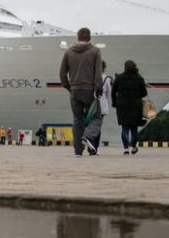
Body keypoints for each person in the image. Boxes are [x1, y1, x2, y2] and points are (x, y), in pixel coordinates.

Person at [59, 27, 103, 157]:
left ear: (77, 38)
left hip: (75, 90)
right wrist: (97, 89)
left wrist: (69, 88)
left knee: (77, 121)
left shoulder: (68, 52)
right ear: (90, 38)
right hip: (90, 90)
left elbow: (62, 74)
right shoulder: (95, 51)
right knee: (96, 117)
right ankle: (88, 136)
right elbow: (98, 73)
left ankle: (78, 151)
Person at [111, 60, 147, 155]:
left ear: (124, 67)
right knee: (134, 128)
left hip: (122, 105)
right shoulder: (139, 78)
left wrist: (114, 102)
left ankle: (126, 148)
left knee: (125, 127)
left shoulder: (119, 78)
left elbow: (113, 91)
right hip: (136, 105)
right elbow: (144, 93)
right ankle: (134, 147)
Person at [84, 60, 112, 155]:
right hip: (102, 104)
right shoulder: (106, 78)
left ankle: (90, 144)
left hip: (90, 103)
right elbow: (108, 93)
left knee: (89, 124)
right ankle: (95, 147)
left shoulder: (88, 77)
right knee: (98, 127)